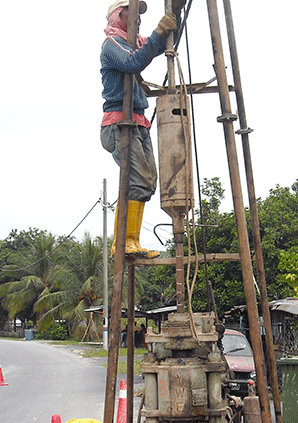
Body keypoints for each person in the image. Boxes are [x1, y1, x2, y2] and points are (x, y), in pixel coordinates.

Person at [100, 0, 182, 258]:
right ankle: (122, 243)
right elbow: (134, 62)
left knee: (146, 182)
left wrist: (173, 18)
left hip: (138, 121)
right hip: (119, 123)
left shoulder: (132, 43)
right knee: (137, 179)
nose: (138, 20)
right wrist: (159, 32)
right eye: (132, 14)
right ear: (118, 15)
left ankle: (131, 242)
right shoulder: (112, 45)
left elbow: (157, 44)